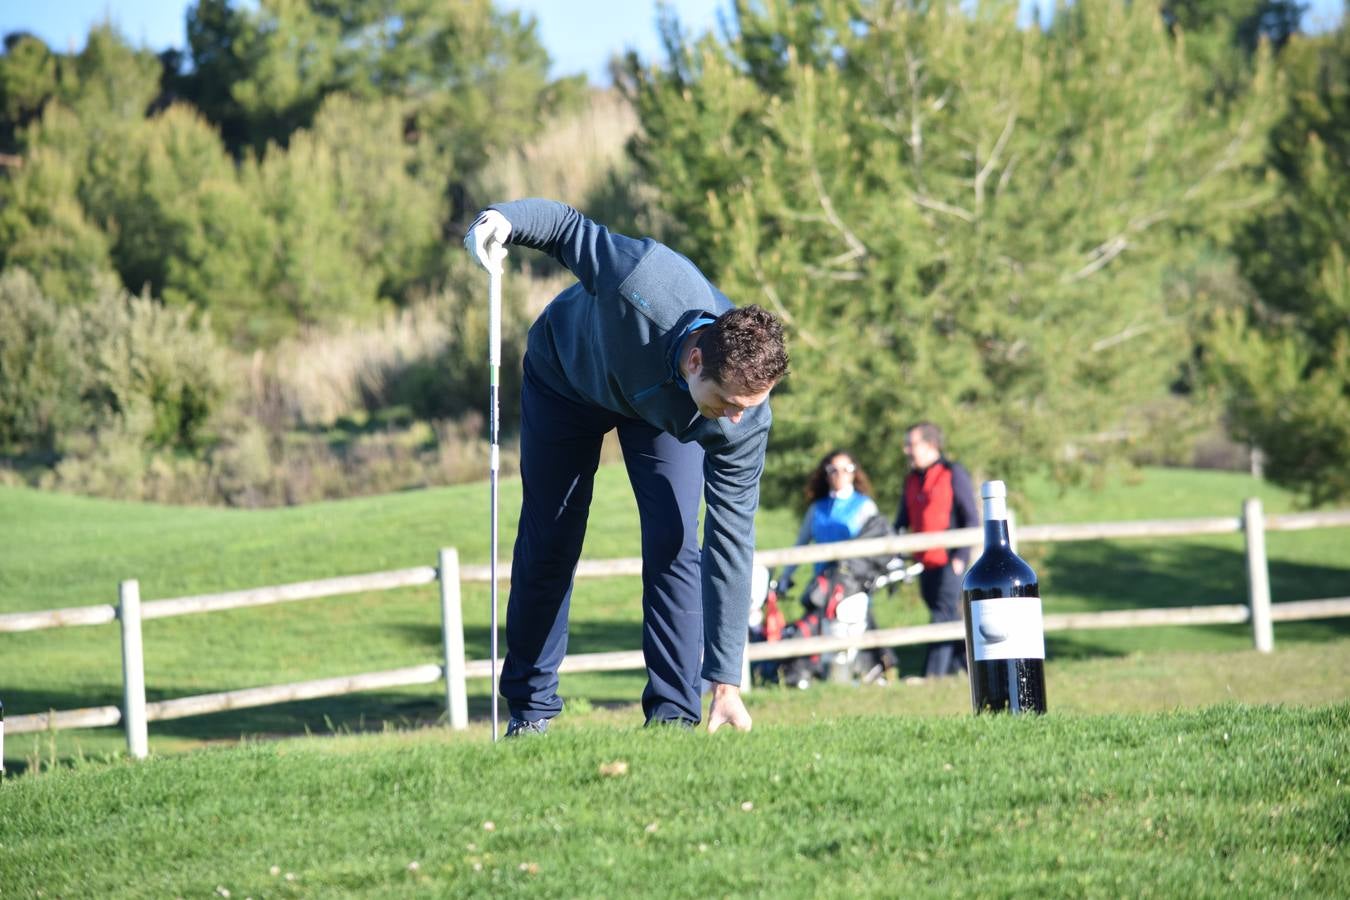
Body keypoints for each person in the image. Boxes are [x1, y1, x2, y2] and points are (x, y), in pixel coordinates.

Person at [463, 199, 789, 736]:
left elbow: (732, 541)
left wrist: (726, 681)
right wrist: (504, 219)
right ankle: (531, 710)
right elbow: (568, 230)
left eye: (748, 408)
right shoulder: (639, 280)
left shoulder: (742, 418)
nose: (734, 421)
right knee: (552, 537)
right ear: (695, 361)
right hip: (566, 375)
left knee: (676, 543)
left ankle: (672, 719)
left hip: (662, 413)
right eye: (728, 403)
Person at [894, 421, 978, 678]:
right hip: (924, 564)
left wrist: (961, 557)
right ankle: (966, 669)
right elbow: (901, 520)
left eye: (911, 444)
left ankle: (933, 676)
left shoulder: (953, 473)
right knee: (946, 617)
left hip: (949, 562)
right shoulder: (911, 480)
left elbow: (971, 518)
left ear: (930, 445)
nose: (907, 450)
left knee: (942, 615)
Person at [777, 450, 881, 594]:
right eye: (833, 470)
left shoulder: (865, 506)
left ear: (854, 472)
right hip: (822, 586)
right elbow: (801, 544)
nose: (840, 475)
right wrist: (785, 576)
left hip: (854, 586)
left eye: (847, 469)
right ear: (826, 474)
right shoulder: (817, 508)